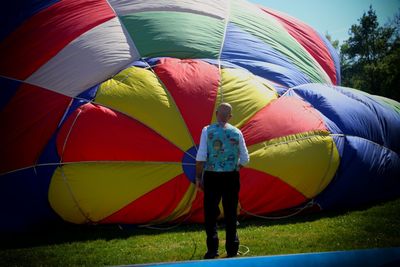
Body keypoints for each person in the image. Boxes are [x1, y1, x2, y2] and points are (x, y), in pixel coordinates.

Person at [195, 102, 250, 259]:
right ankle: (232, 249)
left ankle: (212, 250)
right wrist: (235, 167)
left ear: (217, 113)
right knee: (231, 212)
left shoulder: (207, 130)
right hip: (231, 176)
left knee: (211, 213)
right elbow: (245, 160)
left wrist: (199, 177)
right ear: (230, 117)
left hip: (212, 176)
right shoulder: (237, 132)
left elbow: (201, 157)